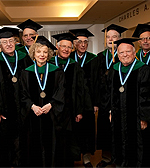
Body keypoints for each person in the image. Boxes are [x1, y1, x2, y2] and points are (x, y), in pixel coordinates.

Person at [107, 38, 150, 167]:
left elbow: (149, 95)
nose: (125, 55)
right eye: (121, 52)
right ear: (117, 55)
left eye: (128, 52)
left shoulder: (144, 70)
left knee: (138, 146)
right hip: (118, 115)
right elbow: (109, 93)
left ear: (134, 53)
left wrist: (144, 117)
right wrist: (111, 111)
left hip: (136, 118)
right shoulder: (114, 70)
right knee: (119, 141)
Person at [0, 27, 32, 167]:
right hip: (4, 111)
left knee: (22, 142)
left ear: (15, 42)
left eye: (11, 41)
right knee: (3, 145)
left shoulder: (24, 58)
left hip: (23, 109)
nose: (8, 44)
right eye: (4, 42)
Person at [19, 35, 65, 167]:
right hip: (32, 115)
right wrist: (32, 106)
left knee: (51, 144)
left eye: (45, 52)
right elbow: (22, 94)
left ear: (49, 54)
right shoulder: (26, 73)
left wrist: (51, 104)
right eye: (39, 51)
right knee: (33, 144)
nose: (42, 55)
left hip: (51, 115)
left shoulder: (57, 72)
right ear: (33, 53)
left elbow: (61, 91)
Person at [50, 32, 93, 167]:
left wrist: (79, 111)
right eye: (63, 46)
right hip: (53, 108)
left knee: (70, 137)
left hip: (71, 108)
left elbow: (81, 90)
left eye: (69, 47)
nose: (66, 49)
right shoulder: (50, 64)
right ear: (57, 47)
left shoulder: (75, 66)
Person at [96, 24, 127, 167]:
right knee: (105, 130)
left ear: (119, 39)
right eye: (108, 37)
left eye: (114, 37)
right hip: (103, 100)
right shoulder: (100, 57)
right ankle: (106, 158)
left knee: (120, 129)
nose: (111, 39)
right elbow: (95, 81)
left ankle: (119, 158)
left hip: (118, 99)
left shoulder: (124, 57)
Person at [69, 28, 97, 167]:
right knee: (74, 129)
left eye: (85, 42)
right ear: (74, 44)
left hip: (88, 100)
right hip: (72, 100)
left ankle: (86, 157)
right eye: (79, 41)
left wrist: (95, 102)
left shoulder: (93, 59)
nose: (83, 44)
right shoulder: (69, 58)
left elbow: (98, 82)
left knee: (87, 129)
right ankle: (73, 156)